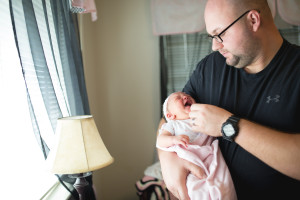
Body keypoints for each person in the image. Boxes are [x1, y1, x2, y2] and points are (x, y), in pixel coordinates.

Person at [157, 0, 300, 199]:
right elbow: (170, 116)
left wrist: (228, 125)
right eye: (211, 36)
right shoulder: (209, 69)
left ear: (252, 20)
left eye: (220, 34)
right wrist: (166, 159)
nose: (215, 46)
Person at [157, 92, 237, 200]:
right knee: (195, 188)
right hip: (190, 161)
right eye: (178, 98)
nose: (185, 97)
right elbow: (160, 141)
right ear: (170, 116)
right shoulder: (173, 124)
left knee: (223, 182)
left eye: (186, 95)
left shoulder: (201, 118)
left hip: (208, 156)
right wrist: (174, 139)